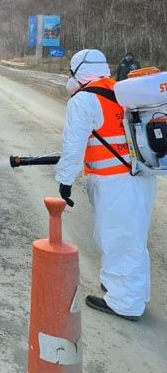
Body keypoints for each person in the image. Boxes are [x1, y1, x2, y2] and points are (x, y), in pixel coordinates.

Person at [54, 49, 156, 321]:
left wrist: (64, 181)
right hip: (141, 176)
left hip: (115, 182)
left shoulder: (84, 100)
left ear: (79, 71)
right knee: (133, 237)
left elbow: (73, 147)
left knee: (118, 238)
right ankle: (130, 289)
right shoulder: (122, 92)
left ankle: (125, 303)